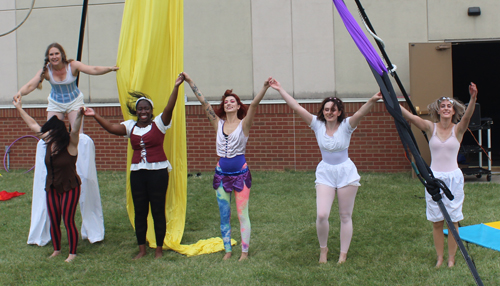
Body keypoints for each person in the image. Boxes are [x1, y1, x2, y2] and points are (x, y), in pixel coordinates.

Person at [269, 78, 382, 264]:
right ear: (323, 111)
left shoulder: (346, 126)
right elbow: (297, 108)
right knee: (322, 214)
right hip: (325, 173)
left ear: (339, 112)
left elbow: (361, 113)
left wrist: (374, 98)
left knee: (345, 216)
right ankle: (324, 250)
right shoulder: (317, 125)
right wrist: (280, 89)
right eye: (326, 109)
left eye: (333, 109)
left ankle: (343, 255)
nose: (329, 112)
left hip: (345, 172)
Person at [83, 74, 185, 259]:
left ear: (151, 110)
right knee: (140, 211)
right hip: (137, 173)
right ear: (136, 111)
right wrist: (95, 115)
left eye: (146, 108)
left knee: (157, 209)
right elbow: (111, 128)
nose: (143, 111)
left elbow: (170, 107)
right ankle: (142, 249)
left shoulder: (159, 124)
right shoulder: (130, 126)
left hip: (158, 172)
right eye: (140, 109)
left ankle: (159, 249)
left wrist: (176, 87)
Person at [182, 72, 270, 261]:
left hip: (241, 175)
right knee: (224, 214)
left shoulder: (244, 124)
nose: (228, 103)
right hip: (221, 175)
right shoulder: (217, 123)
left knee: (242, 214)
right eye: (226, 101)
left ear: (238, 106)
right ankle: (228, 249)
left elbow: (254, 105)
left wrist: (264, 87)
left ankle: (244, 253)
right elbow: (204, 103)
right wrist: (190, 82)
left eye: (232, 101)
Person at [400, 83, 478, 268]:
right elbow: (411, 117)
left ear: (453, 111)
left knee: (453, 220)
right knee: (437, 221)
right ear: (438, 110)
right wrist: (394, 104)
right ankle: (440, 258)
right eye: (442, 106)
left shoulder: (457, 130)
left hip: (453, 179)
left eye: (449, 106)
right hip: (434, 179)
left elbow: (467, 116)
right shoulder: (430, 127)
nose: (445, 108)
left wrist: (473, 98)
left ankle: (451, 258)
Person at [13, 96, 84, 263]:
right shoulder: (49, 141)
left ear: (57, 131)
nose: (47, 133)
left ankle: (72, 253)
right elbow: (33, 125)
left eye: (50, 131)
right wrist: (19, 108)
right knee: (54, 219)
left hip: (70, 186)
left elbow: (74, 131)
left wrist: (80, 114)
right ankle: (57, 250)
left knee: (67, 219)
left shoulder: (71, 144)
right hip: (52, 186)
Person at [13, 42, 118, 127]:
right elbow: (31, 85)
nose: (54, 57)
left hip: (75, 102)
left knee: (77, 133)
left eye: (56, 54)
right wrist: (20, 93)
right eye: (51, 54)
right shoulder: (46, 71)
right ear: (48, 57)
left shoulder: (72, 66)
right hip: (56, 103)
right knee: (51, 133)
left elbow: (93, 69)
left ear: (62, 54)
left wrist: (109, 69)